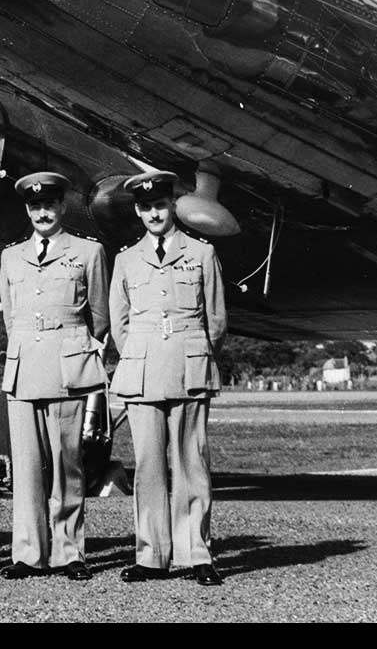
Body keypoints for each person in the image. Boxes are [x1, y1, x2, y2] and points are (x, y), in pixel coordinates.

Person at [109, 170, 227, 587]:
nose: (154, 213)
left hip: (188, 367)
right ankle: (151, 555)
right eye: (146, 207)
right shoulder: (125, 259)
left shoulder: (201, 253)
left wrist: (190, 351)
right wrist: (142, 354)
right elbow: (119, 324)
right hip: (141, 371)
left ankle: (197, 553)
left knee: (192, 463)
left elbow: (215, 321)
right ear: (138, 211)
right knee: (148, 468)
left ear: (172, 205)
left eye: (160, 205)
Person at [0, 172, 110, 581]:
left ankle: (69, 552)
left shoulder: (88, 252)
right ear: (28, 210)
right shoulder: (11, 256)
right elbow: (11, 315)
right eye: (34, 207)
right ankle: (27, 553)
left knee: (67, 463)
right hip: (25, 367)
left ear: (62, 207)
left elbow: (99, 316)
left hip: (67, 368)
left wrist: (72, 348)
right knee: (25, 467)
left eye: (49, 205)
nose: (42, 213)